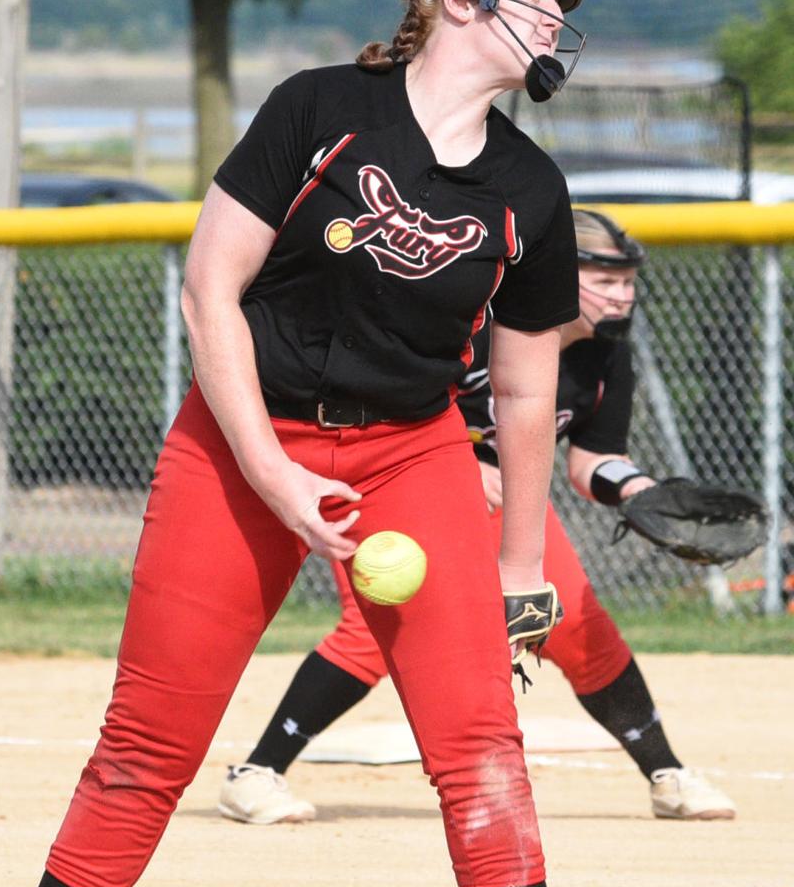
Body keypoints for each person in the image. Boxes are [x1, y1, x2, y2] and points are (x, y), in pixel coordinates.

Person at [0, 0, 642, 887]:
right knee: (149, 745)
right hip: (240, 438)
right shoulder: (319, 110)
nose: (556, 5)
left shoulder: (529, 184)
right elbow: (209, 288)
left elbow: (525, 388)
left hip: (412, 451)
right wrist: (272, 473)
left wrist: (522, 557)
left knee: (479, 751)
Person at [218, 208, 738, 828]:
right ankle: (255, 773)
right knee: (376, 629)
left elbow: (592, 460)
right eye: (605, 280)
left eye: (627, 282)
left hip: (503, 502)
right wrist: (460, 466)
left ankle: (666, 773)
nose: (621, 295)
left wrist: (637, 491)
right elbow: (389, 406)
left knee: (569, 621)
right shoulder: (478, 327)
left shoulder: (604, 359)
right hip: (391, 476)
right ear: (559, 275)